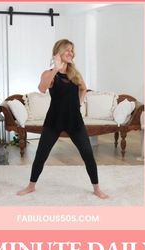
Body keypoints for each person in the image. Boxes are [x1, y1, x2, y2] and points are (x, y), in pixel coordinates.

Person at [18, 39, 108, 199]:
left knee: (87, 153)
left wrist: (79, 104)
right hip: (54, 120)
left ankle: (96, 188)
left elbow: (84, 88)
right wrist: (56, 69)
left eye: (72, 50)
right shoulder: (48, 73)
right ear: (58, 52)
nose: (71, 53)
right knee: (41, 154)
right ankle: (31, 186)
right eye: (67, 50)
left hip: (75, 120)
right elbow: (42, 88)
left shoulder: (75, 73)